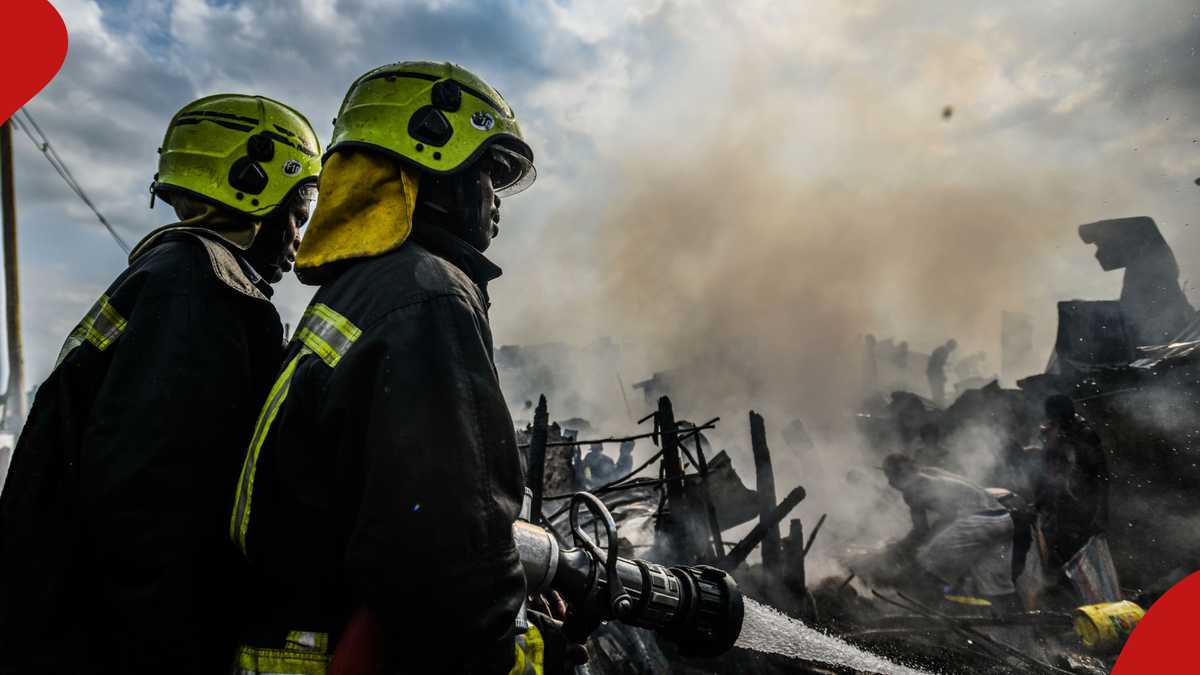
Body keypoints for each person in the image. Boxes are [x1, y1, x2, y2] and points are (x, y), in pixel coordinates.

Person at [228, 62, 565, 675]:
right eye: (488, 171)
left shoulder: (358, 289)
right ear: (432, 157)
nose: (496, 200)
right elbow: (444, 557)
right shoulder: (425, 297)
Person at [0, 94, 320, 673]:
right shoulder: (203, 295)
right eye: (295, 214)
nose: (298, 237)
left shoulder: (163, 279)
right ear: (252, 185)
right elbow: (153, 513)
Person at [882, 453, 1016, 605]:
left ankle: (935, 613)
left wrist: (895, 549)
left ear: (899, 473)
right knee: (996, 587)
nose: (889, 482)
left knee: (926, 565)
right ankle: (1015, 622)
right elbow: (947, 518)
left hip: (976, 521)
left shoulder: (912, 489)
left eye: (889, 475)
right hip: (1002, 518)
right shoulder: (932, 472)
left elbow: (921, 531)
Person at [1034, 394, 1110, 572]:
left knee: (1077, 554)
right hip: (1055, 501)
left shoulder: (1084, 435)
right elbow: (1046, 468)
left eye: (1052, 414)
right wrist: (1039, 499)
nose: (1049, 417)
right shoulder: (1051, 431)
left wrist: (1102, 511)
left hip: (1079, 502)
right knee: (1054, 548)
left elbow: (1101, 474)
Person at [926, 338, 957, 406]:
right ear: (950, 347)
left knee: (937, 391)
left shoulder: (941, 349)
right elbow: (937, 364)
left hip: (932, 372)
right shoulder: (944, 351)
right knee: (938, 391)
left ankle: (937, 405)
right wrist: (942, 376)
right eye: (952, 349)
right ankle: (938, 407)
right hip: (934, 373)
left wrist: (945, 363)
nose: (951, 351)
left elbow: (938, 362)